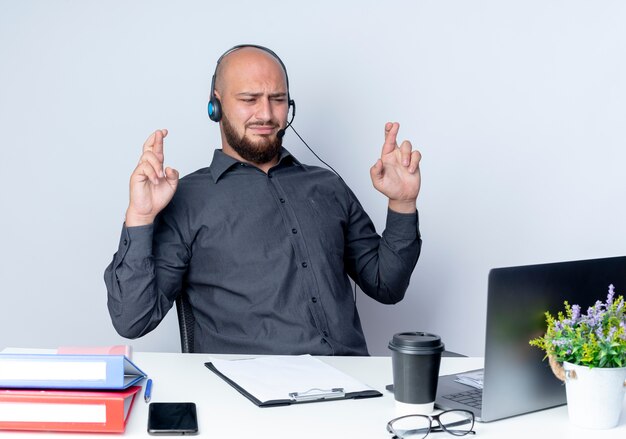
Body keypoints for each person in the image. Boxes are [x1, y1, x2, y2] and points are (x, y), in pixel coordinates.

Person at [104, 44, 422, 355]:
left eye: (277, 99)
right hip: (248, 399)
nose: (266, 114)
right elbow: (133, 319)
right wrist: (140, 217)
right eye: (249, 99)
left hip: (352, 389)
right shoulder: (186, 198)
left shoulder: (327, 186)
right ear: (215, 106)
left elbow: (387, 286)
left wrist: (402, 205)